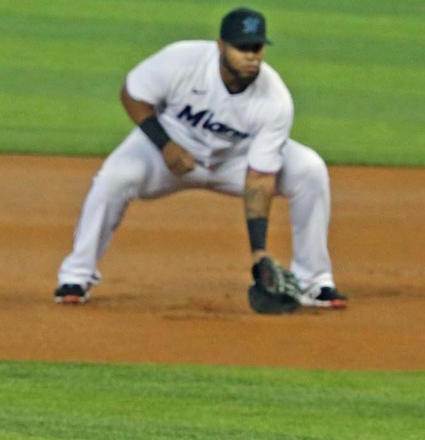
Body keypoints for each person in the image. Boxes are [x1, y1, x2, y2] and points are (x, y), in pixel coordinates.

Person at [53, 7, 347, 309]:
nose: (251, 56)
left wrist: (258, 252)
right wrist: (165, 145)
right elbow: (132, 94)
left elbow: (259, 177)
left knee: (309, 170)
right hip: (166, 150)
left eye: (256, 48)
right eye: (241, 48)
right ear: (221, 46)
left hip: (236, 161)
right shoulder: (182, 60)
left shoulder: (275, 99)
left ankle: (314, 282)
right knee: (113, 178)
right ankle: (76, 276)